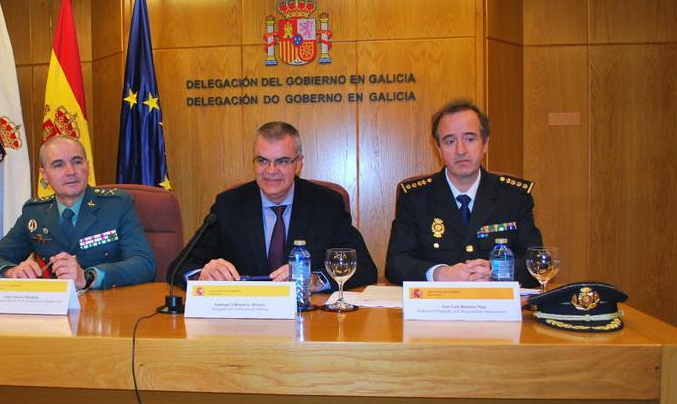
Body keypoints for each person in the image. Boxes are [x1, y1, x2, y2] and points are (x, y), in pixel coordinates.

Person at [167, 121, 377, 290]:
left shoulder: (326, 204)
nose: (271, 170)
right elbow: (179, 267)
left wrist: (314, 280)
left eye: (282, 161)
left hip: (308, 321)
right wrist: (201, 274)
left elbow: (365, 268)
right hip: (245, 321)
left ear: (299, 164)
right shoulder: (229, 205)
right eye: (262, 160)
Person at [385, 100, 543, 288]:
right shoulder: (415, 198)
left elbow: (536, 263)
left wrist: (496, 271)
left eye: (470, 139)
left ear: (485, 144)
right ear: (439, 149)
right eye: (450, 141)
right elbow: (396, 264)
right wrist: (439, 273)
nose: (460, 150)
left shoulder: (514, 198)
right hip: (435, 310)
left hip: (496, 309)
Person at [0, 135, 155, 289]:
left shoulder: (117, 205)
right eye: (58, 165)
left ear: (87, 166)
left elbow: (144, 264)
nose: (71, 172)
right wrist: (11, 272)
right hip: (54, 313)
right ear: (44, 175)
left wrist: (90, 276)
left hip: (108, 310)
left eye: (77, 162)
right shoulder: (35, 213)